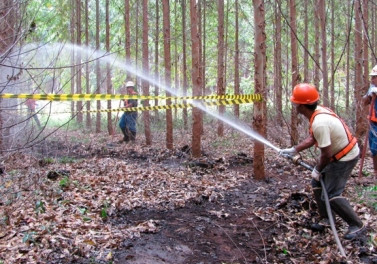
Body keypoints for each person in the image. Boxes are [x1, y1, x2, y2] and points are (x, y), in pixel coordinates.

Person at [280, 83, 364, 240]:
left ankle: (357, 226)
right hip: (338, 155)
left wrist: (318, 170)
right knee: (316, 184)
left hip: (345, 157)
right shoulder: (318, 113)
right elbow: (313, 138)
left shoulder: (320, 122)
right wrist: (295, 149)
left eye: (295, 103)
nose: (294, 106)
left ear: (302, 105)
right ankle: (326, 219)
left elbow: (326, 153)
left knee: (331, 193)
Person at [362, 64, 377, 178]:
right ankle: (376, 172)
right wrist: (371, 95)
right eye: (372, 77)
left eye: (374, 77)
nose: (372, 79)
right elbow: (364, 102)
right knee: (373, 149)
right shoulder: (372, 88)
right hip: (373, 123)